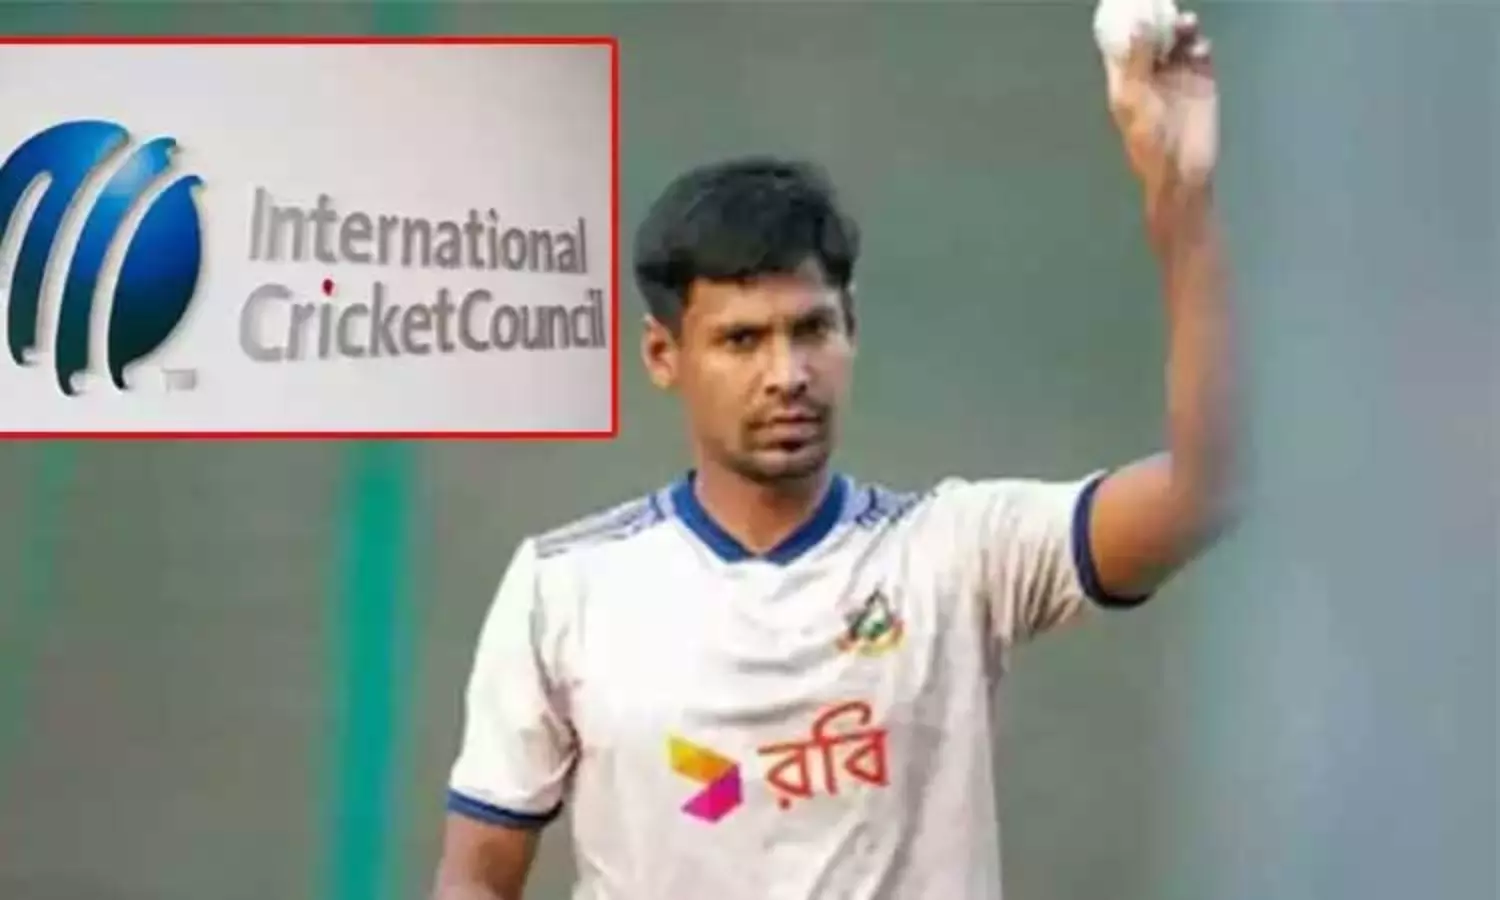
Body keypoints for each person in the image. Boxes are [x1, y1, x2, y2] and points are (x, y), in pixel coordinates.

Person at [430, 15, 1232, 900]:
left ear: (851, 326)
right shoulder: (564, 588)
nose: (787, 374)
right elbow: (476, 882)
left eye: (811, 329)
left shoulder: (958, 554)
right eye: (740, 340)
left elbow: (1208, 488)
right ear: (663, 355)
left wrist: (1181, 197)